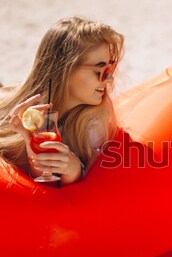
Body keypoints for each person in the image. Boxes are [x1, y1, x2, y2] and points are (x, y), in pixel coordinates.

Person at [0, 17, 124, 185]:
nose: (109, 79)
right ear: (66, 70)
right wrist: (27, 141)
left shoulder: (95, 124)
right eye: (100, 70)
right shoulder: (19, 115)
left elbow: (58, 194)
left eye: (111, 68)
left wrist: (75, 171)